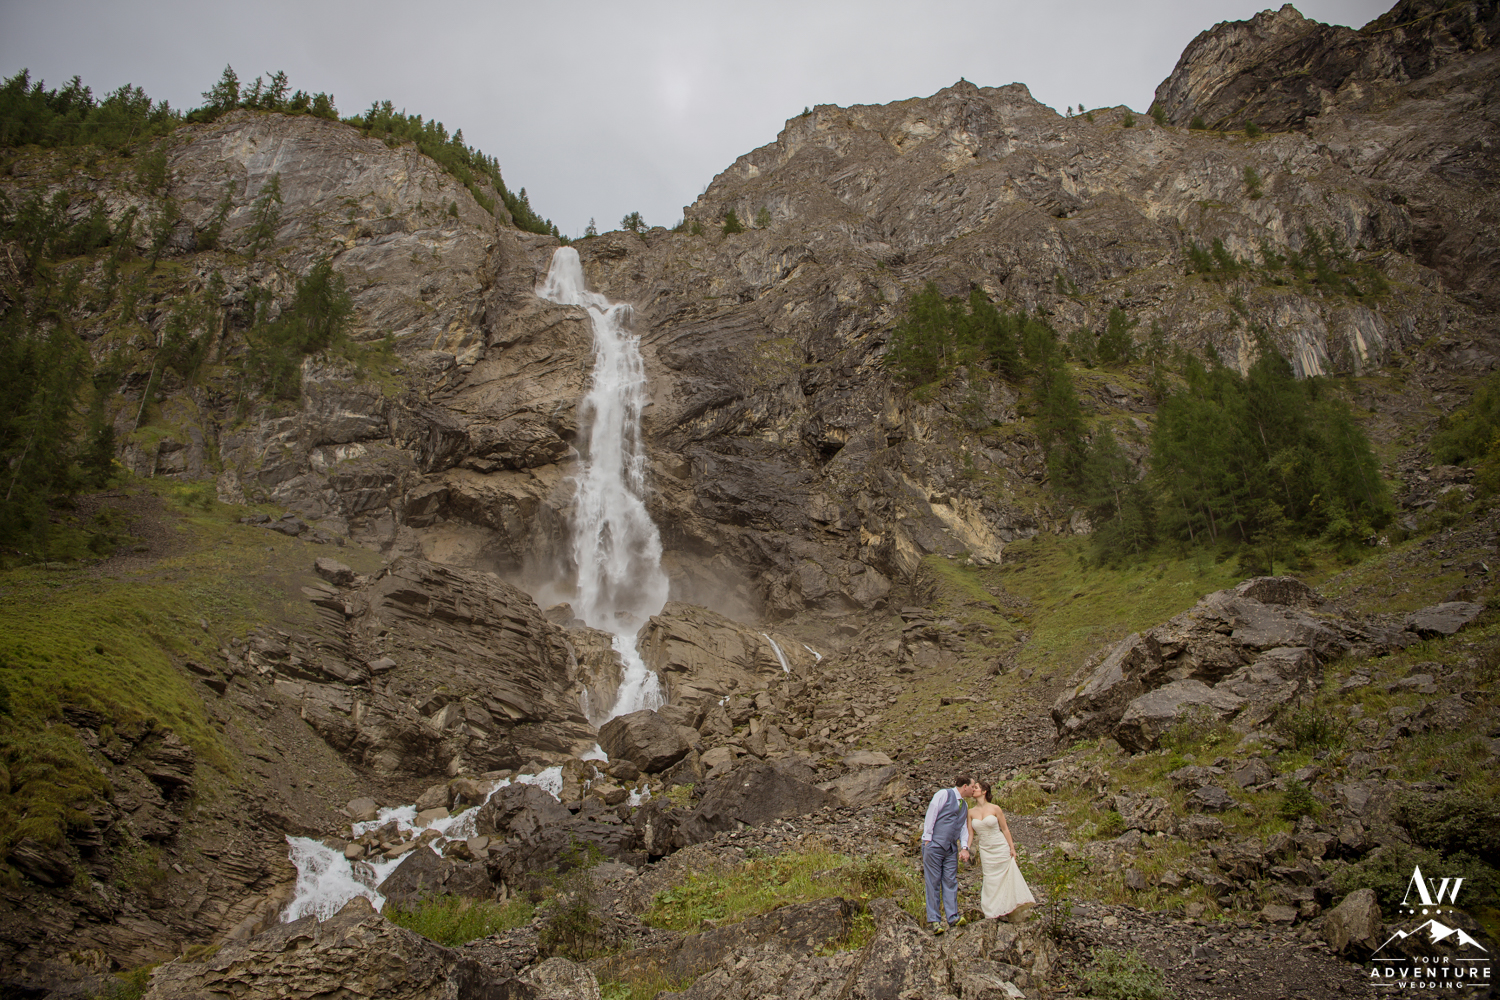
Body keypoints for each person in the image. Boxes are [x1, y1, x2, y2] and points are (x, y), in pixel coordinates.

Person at [966, 778, 1035, 921]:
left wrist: (1012, 848)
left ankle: (1008, 908)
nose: (974, 790)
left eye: (976, 788)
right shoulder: (970, 812)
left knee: (1006, 876)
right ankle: (993, 910)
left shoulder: (995, 808)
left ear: (984, 791)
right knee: (990, 879)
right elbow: (970, 833)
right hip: (985, 848)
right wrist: (966, 848)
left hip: (999, 845)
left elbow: (1005, 829)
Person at [921, 775, 981, 933]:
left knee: (950, 880)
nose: (974, 789)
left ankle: (953, 916)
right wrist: (928, 839)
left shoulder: (964, 806)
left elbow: (962, 828)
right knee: (933, 882)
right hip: (934, 845)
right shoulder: (944, 794)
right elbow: (932, 813)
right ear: (965, 786)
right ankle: (934, 921)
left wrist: (964, 847)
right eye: (973, 786)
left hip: (950, 848)